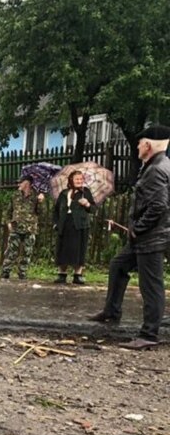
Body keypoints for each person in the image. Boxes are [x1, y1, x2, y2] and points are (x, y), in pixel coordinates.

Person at [90, 125, 170, 349]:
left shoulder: (157, 169)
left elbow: (158, 206)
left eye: (139, 142)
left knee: (151, 286)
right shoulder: (156, 165)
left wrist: (139, 228)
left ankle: (149, 335)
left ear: (147, 145)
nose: (136, 146)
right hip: (144, 238)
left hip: (151, 238)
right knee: (118, 265)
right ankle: (111, 311)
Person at [52, 170, 94, 285]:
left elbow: (93, 209)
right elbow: (56, 210)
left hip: (80, 224)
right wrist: (56, 223)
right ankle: (62, 274)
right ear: (71, 180)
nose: (79, 181)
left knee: (79, 248)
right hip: (65, 223)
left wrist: (87, 204)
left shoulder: (86, 192)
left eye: (81, 179)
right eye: (77, 179)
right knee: (63, 248)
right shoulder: (64, 193)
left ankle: (78, 274)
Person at [0, 177, 44, 280]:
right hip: (16, 226)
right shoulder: (15, 195)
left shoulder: (36, 196)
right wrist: (8, 223)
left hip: (30, 228)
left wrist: (41, 202)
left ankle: (22, 272)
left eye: (21, 182)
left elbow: (40, 212)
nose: (18, 184)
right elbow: (8, 211)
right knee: (11, 250)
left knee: (27, 251)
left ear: (27, 183)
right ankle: (6, 271)